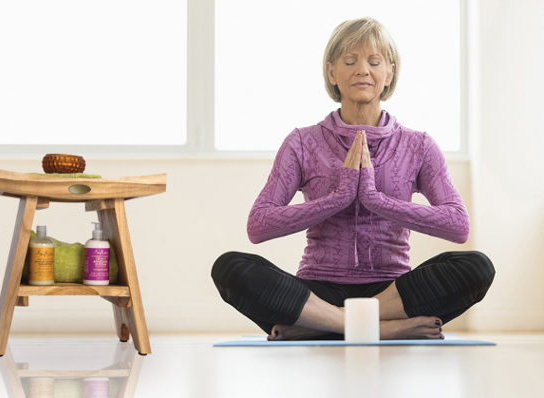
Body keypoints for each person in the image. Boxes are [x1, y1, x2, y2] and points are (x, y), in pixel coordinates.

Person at [211, 17, 495, 341]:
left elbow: (458, 225)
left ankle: (330, 325)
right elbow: (258, 225)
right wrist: (339, 198)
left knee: (477, 267)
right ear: (332, 72)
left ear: (389, 73)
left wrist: (376, 200)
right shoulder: (303, 142)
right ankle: (376, 329)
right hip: (317, 292)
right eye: (350, 61)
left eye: (374, 62)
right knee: (230, 268)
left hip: (394, 295)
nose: (362, 70)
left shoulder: (418, 146)